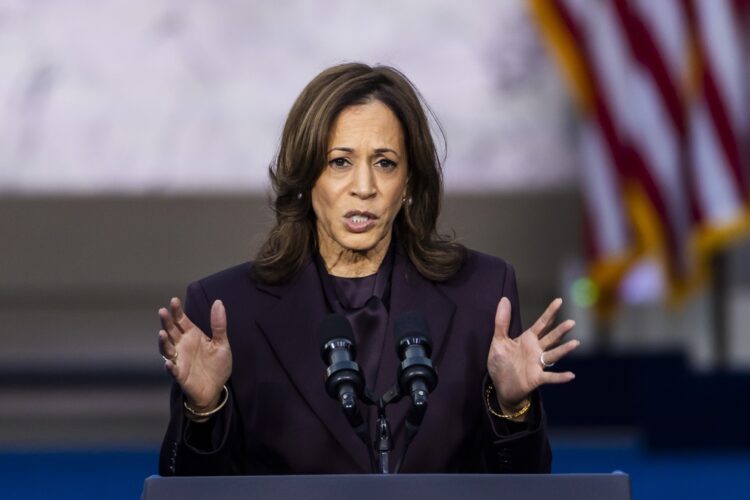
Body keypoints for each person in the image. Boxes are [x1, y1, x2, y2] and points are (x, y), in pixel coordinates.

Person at [157, 62, 578, 476]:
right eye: (340, 162)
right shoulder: (229, 309)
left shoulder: (481, 295)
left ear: (410, 181)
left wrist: (511, 409)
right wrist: (203, 410)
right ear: (306, 176)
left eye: (385, 163)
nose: (364, 187)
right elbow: (186, 491)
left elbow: (523, 485)